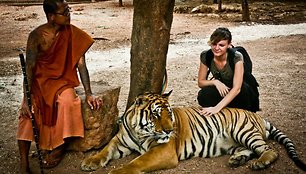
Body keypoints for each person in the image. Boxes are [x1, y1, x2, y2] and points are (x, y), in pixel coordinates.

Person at [17, 0, 102, 173]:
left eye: (69, 10)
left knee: (69, 102)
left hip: (63, 81)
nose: (69, 14)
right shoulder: (37, 36)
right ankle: (24, 162)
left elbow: (81, 65)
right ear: (51, 16)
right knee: (28, 113)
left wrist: (89, 93)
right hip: (40, 84)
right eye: (64, 12)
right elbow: (30, 68)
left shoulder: (72, 33)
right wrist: (27, 97)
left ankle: (59, 147)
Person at [197, 27, 259, 117]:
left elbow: (237, 88)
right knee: (203, 95)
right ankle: (224, 115)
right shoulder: (206, 55)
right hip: (224, 88)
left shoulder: (236, 57)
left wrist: (216, 108)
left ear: (229, 45)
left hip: (241, 92)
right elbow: (201, 82)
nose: (216, 48)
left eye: (221, 45)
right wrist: (215, 82)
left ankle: (243, 115)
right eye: (214, 44)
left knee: (243, 90)